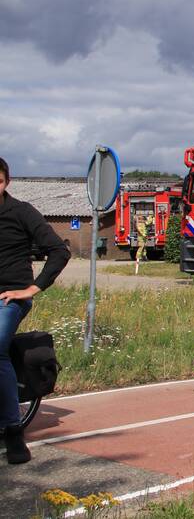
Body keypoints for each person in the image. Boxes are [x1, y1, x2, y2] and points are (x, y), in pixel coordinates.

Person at [0, 157, 70, 464]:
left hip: (9, 297)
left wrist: (32, 288)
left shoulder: (22, 212)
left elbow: (59, 251)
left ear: (7, 182)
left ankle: (12, 429)